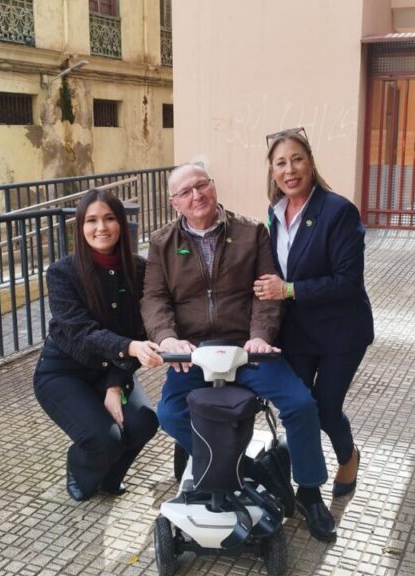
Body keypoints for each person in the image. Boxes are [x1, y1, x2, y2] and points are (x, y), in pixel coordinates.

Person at [141, 162, 337, 542]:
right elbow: (154, 298)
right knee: (169, 413)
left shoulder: (251, 232)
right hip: (193, 352)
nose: (196, 195)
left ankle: (310, 493)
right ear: (174, 203)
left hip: (246, 348)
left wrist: (260, 335)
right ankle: (244, 469)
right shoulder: (162, 243)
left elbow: (267, 293)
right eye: (185, 192)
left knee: (300, 404)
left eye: (201, 185)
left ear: (214, 186)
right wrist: (166, 338)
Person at [255, 128, 374, 498]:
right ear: (272, 171)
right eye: (281, 163)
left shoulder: (338, 211)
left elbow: (347, 281)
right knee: (298, 406)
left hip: (341, 332)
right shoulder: (275, 213)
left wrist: (288, 290)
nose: (289, 170)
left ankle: (348, 456)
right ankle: (307, 485)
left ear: (310, 163)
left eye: (297, 160)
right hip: (297, 332)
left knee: (325, 408)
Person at [33, 189, 162, 502]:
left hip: (112, 370)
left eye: (109, 218)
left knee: (142, 423)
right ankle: (80, 469)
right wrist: (130, 347)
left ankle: (110, 478)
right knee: (104, 439)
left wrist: (114, 386)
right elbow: (81, 332)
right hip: (64, 373)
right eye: (91, 220)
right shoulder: (62, 273)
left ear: (121, 224)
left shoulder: (139, 270)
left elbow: (140, 330)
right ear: (81, 227)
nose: (101, 227)